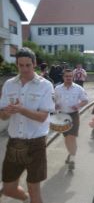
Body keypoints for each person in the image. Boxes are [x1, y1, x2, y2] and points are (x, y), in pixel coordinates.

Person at [0, 47, 55, 203]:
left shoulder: (45, 85)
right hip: (14, 142)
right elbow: (2, 116)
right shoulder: (9, 84)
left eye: (28, 65)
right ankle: (24, 199)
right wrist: (7, 112)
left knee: (34, 189)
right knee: (8, 188)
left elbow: (43, 117)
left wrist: (21, 109)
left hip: (36, 143)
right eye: (20, 65)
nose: (24, 69)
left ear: (35, 64)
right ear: (16, 64)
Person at [54, 69, 88, 171]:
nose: (68, 78)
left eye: (70, 76)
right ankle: (71, 153)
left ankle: (72, 159)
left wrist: (78, 105)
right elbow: (53, 100)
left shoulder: (78, 88)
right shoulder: (57, 88)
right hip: (62, 116)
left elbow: (85, 100)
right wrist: (55, 105)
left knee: (72, 137)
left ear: (73, 77)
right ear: (63, 77)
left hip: (73, 115)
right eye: (66, 76)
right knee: (67, 137)